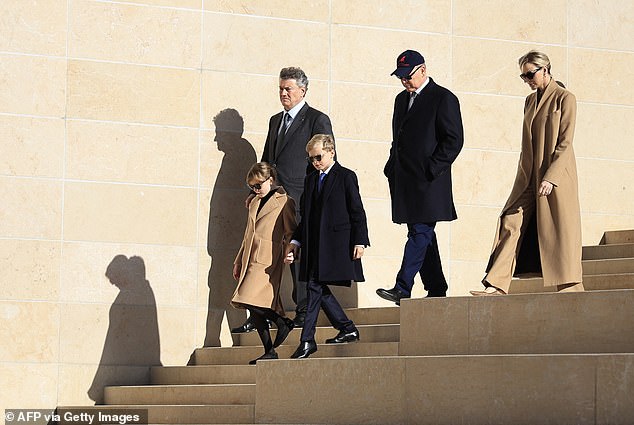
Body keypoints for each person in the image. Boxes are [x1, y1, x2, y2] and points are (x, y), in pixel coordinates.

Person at [470, 50, 583, 296]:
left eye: (530, 74)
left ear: (545, 69)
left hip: (556, 177)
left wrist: (551, 177)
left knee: (560, 230)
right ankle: (497, 283)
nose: (527, 80)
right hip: (528, 177)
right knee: (511, 220)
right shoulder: (530, 102)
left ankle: (571, 286)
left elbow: (565, 142)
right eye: (523, 77)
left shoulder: (565, 98)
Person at [232, 67, 333, 333]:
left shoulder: (316, 119)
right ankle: (259, 312)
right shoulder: (275, 120)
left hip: (299, 199)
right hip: (273, 199)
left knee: (295, 254)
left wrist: (318, 198)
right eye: (280, 88)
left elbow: (324, 161)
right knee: (264, 257)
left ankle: (301, 310)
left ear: (303, 90)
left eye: (288, 88)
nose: (283, 93)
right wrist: (254, 191)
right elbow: (267, 160)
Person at [376, 50, 464, 305]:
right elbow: (398, 139)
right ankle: (436, 287)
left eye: (408, 75)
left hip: (429, 183)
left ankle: (402, 287)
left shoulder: (443, 98)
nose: (405, 81)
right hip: (405, 181)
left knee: (419, 232)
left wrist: (431, 169)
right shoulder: (400, 100)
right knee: (423, 234)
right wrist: (391, 166)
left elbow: (454, 140)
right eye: (401, 77)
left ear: (423, 70)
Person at [287, 134, 369, 359]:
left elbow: (357, 211)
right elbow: (306, 217)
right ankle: (347, 328)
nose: (315, 162)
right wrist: (296, 241)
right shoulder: (311, 180)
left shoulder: (346, 176)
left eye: (318, 157)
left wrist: (360, 241)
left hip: (335, 245)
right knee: (318, 289)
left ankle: (307, 340)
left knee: (314, 287)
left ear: (331, 151)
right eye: (311, 158)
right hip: (314, 246)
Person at [231, 162, 297, 364]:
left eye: (258, 185)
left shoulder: (285, 201)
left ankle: (282, 322)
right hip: (249, 257)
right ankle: (270, 349)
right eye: (252, 187)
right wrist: (238, 261)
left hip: (267, 258)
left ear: (270, 180)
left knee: (249, 298)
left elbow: (291, 231)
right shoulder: (253, 202)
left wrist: (291, 252)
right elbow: (247, 234)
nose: (256, 190)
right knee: (253, 304)